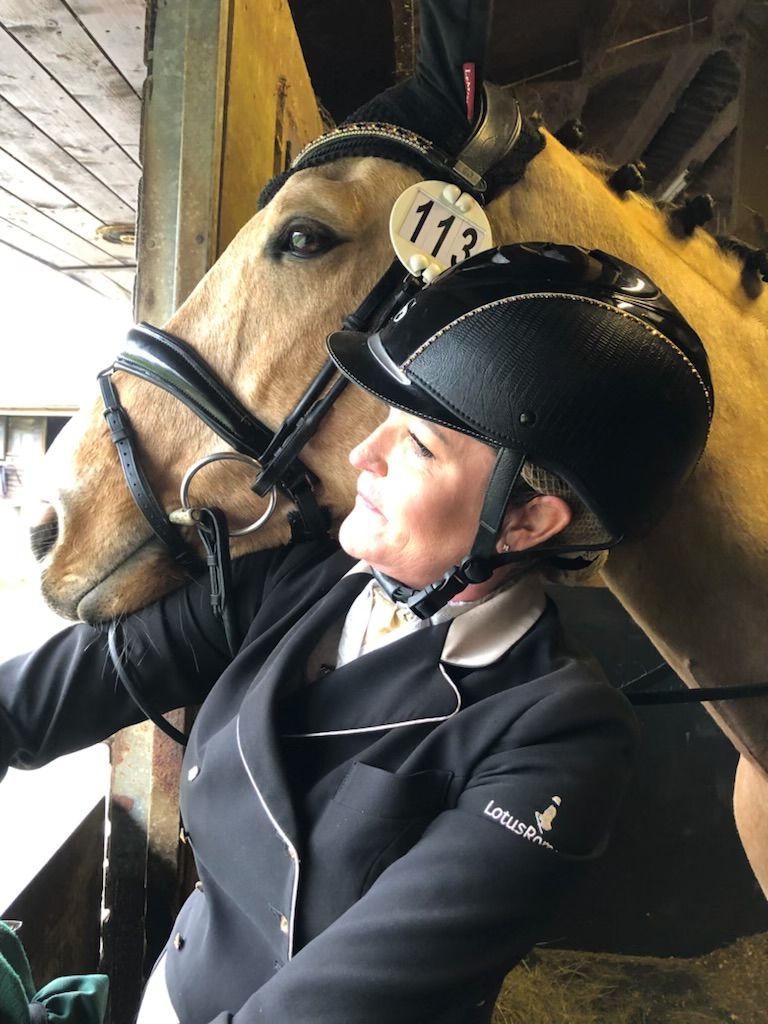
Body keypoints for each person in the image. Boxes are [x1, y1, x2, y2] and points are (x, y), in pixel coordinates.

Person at [0, 242, 713, 1024]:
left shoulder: (562, 735)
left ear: (527, 521)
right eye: (387, 420)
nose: (362, 453)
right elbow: (36, 701)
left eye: (418, 444)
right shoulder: (296, 576)